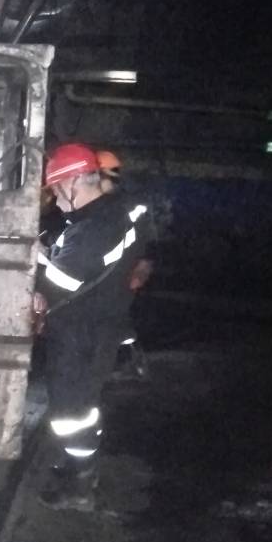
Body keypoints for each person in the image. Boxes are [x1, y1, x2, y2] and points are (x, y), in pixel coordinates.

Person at [35, 143, 142, 511]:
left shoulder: (96, 228)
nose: (55, 199)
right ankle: (76, 464)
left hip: (83, 334)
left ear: (75, 182)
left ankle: (79, 485)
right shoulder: (104, 217)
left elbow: (58, 283)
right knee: (82, 407)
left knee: (71, 409)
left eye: (57, 189)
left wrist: (33, 258)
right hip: (94, 328)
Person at [96, 149, 153, 378]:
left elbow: (143, 240)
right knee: (114, 317)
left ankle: (126, 359)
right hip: (114, 272)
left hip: (121, 271)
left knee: (114, 316)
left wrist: (140, 268)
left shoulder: (122, 204)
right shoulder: (109, 203)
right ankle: (127, 359)